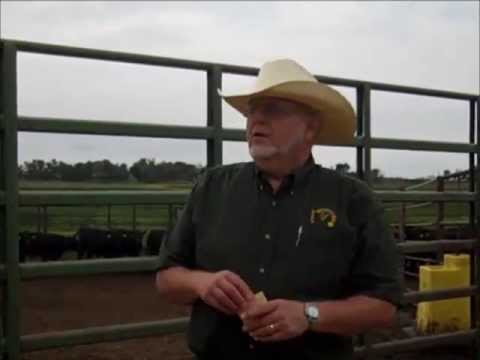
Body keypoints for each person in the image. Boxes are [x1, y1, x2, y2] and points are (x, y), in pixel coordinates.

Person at [155, 59, 403, 360]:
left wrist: (308, 315)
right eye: (252, 111)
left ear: (310, 129)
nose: (256, 120)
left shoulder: (353, 199)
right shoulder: (211, 187)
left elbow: (384, 306)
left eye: (272, 110)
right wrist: (201, 283)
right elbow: (166, 279)